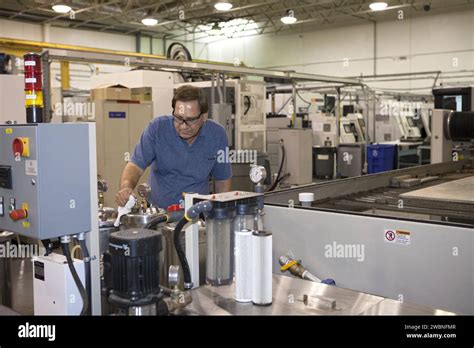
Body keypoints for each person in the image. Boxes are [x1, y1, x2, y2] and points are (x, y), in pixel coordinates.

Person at [115, 85, 232, 208]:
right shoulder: (157, 129)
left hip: (197, 213)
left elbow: (222, 181)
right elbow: (135, 166)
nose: (183, 126)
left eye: (191, 120)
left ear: (204, 116)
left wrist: (220, 214)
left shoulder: (217, 135)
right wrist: (126, 187)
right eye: (178, 118)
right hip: (158, 214)